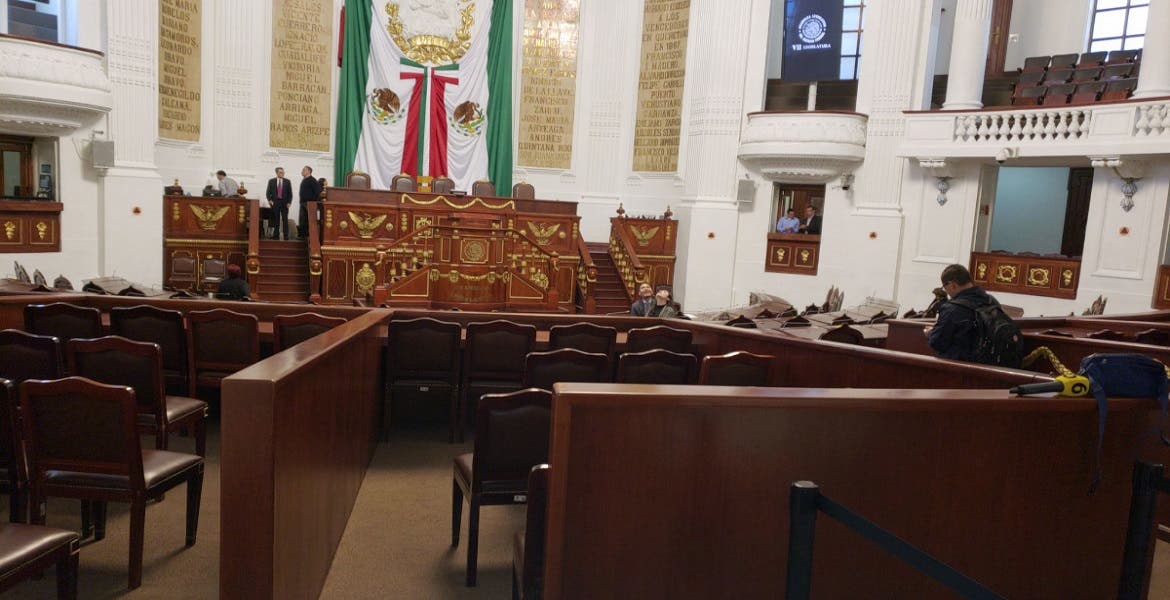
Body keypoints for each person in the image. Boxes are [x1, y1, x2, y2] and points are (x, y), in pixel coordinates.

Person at [925, 264, 997, 361]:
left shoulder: (952, 308)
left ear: (952, 285)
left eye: (944, 287)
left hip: (958, 366)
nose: (946, 291)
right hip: (989, 363)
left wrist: (930, 333)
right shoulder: (991, 301)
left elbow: (938, 342)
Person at [266, 167, 293, 240]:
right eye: (280, 172)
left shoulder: (287, 181)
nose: (282, 174)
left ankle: (286, 236)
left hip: (285, 203)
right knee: (276, 220)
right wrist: (270, 200)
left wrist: (289, 202)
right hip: (275, 203)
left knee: (285, 219)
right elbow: (268, 192)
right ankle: (276, 236)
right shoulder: (271, 181)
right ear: (277, 173)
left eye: (283, 172)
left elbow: (290, 193)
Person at [298, 165, 322, 239]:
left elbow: (318, 191)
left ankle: (309, 236)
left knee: (309, 220)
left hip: (309, 203)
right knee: (302, 219)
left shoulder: (312, 180)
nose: (302, 171)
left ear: (309, 171)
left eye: (304, 170)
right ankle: (302, 235)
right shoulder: (304, 180)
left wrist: (312, 201)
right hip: (303, 203)